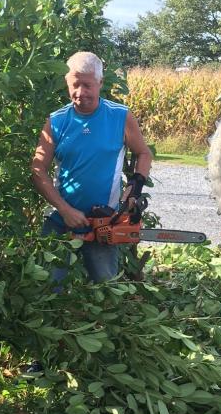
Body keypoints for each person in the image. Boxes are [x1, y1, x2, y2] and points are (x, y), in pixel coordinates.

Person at [31, 51, 152, 283]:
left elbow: (143, 153)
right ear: (67, 83)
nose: (80, 93)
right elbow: (38, 170)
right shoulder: (56, 121)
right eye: (75, 85)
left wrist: (134, 187)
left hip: (104, 222)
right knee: (45, 288)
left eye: (87, 85)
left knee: (105, 286)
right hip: (60, 219)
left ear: (100, 83)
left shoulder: (120, 117)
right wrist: (65, 210)